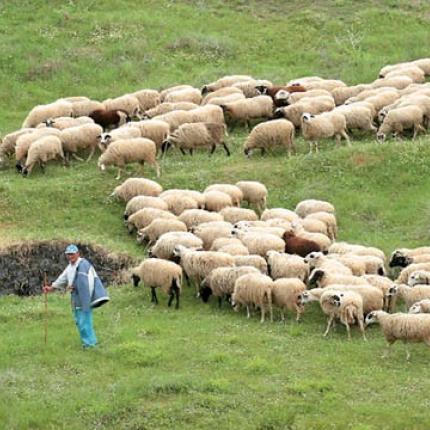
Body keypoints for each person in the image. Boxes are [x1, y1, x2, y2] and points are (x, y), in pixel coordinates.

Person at [43, 244, 109, 349]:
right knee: (79, 321)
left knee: (84, 321)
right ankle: (88, 342)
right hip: (75, 298)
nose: (70, 256)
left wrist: (76, 287)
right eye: (68, 254)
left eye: (72, 254)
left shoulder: (83, 265)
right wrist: (51, 287)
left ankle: (90, 344)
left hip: (84, 298)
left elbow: (87, 282)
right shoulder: (70, 267)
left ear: (78, 254)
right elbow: (63, 278)